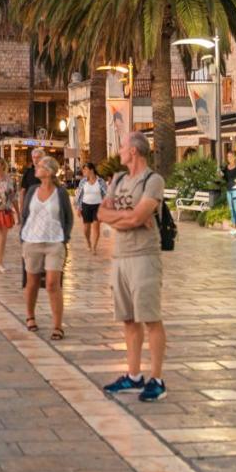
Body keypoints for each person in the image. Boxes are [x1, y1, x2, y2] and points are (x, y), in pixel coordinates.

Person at [99, 132, 168, 403]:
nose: (120, 151)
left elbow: (140, 216)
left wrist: (125, 217)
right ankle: (134, 375)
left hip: (144, 256)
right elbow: (102, 213)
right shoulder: (118, 179)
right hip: (120, 256)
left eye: (123, 147)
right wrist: (128, 217)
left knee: (150, 317)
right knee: (128, 318)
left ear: (135, 151)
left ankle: (157, 379)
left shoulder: (153, 181)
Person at [19, 156, 74, 341]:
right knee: (32, 282)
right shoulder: (33, 191)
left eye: (40, 166)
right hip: (32, 241)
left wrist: (64, 238)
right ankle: (30, 316)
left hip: (54, 242)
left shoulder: (61, 193)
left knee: (52, 284)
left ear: (49, 172)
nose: (36, 167)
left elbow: (68, 217)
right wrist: (23, 237)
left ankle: (58, 326)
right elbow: (25, 214)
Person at [73, 162, 107, 252]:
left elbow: (106, 195)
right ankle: (88, 242)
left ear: (91, 170)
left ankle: (94, 247)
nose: (83, 171)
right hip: (86, 206)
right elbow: (79, 196)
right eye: (83, 169)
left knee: (96, 227)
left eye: (85, 169)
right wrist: (79, 208)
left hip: (98, 206)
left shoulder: (101, 181)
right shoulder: (83, 182)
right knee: (86, 229)